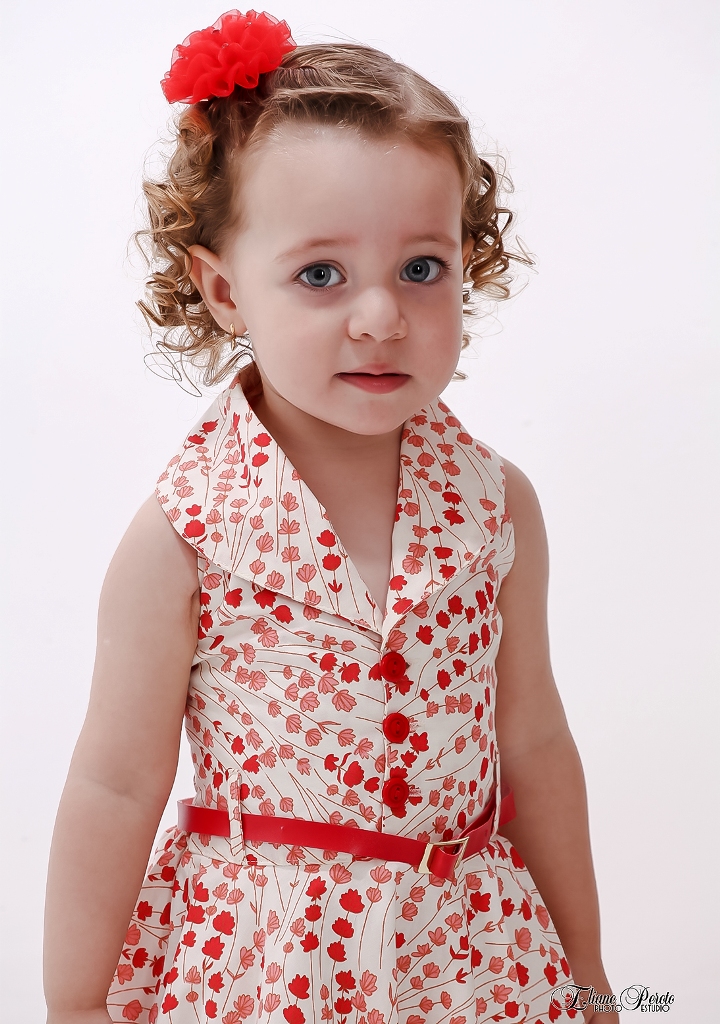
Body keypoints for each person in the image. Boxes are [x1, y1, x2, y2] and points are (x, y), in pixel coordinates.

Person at [43, 10, 619, 1024]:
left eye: (422, 268)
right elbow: (116, 785)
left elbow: (532, 742)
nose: (381, 317)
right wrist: (77, 1004)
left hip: (473, 961)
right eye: (321, 275)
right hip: (270, 967)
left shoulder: (496, 505)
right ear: (224, 290)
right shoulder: (185, 534)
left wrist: (587, 972)